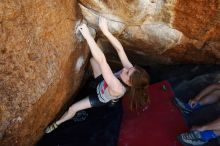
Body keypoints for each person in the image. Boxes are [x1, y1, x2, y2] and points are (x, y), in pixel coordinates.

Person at [45, 17, 150, 133]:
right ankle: (111, 97)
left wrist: (87, 36)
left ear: (129, 82)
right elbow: (120, 50)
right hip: (104, 82)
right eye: (130, 68)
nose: (125, 69)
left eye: (127, 72)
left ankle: (57, 124)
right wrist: (106, 31)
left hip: (99, 96)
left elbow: (102, 60)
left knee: (72, 108)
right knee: (92, 61)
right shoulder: (129, 70)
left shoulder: (118, 88)